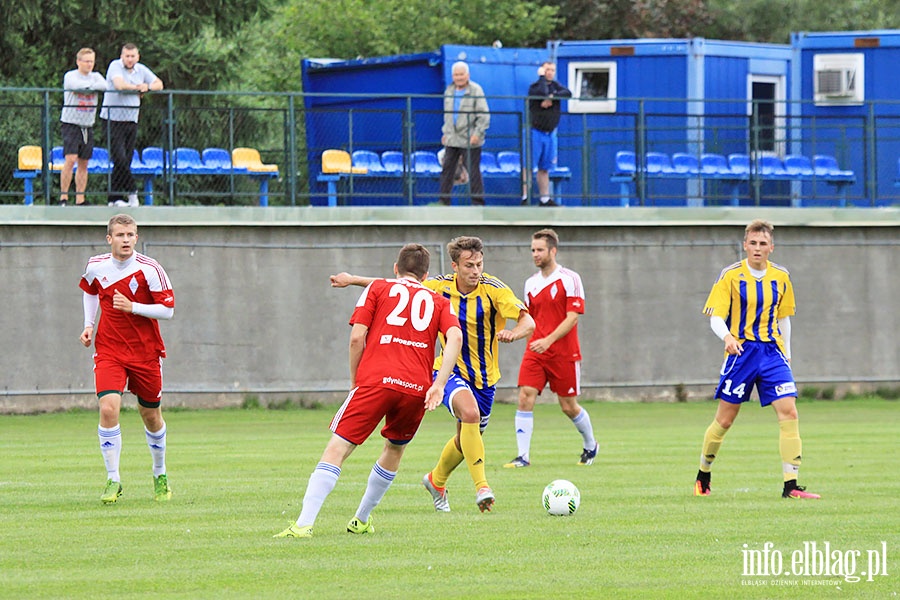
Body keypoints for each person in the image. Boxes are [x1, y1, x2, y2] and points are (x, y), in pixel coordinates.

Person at [331, 236, 534, 513]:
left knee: (467, 440)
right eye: (469, 265)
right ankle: (482, 487)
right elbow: (397, 286)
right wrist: (352, 279)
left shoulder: (494, 289)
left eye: (479, 264)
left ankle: (436, 480)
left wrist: (514, 332)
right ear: (455, 266)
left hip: (486, 378)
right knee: (470, 414)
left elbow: (528, 320)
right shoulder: (438, 286)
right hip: (446, 371)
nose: (475, 271)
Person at [275, 244, 463, 538]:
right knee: (395, 448)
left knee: (338, 448)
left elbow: (356, 337)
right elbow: (455, 336)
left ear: (395, 268)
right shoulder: (439, 301)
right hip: (416, 387)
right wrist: (438, 384)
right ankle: (361, 519)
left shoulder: (378, 288)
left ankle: (303, 524)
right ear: (426, 275)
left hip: (375, 380)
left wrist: (355, 379)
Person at [693, 219, 819, 500]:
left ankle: (791, 485)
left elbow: (784, 317)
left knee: (789, 412)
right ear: (745, 245)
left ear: (771, 247)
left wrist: (787, 354)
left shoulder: (781, 276)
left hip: (772, 353)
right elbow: (715, 316)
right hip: (741, 353)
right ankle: (704, 473)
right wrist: (727, 337)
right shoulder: (731, 275)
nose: (757, 248)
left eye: (763, 243)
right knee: (725, 420)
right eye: (753, 243)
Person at [79, 214, 175, 504]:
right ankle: (113, 479)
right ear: (109, 239)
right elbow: (90, 292)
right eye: (120, 235)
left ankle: (160, 472)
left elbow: (168, 310)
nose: (126, 240)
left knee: (151, 416)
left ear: (136, 237)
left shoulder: (150, 269)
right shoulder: (96, 266)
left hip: (145, 352)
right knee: (108, 408)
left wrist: (134, 306)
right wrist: (88, 324)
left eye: (130, 235)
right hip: (109, 350)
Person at [504, 229, 597, 468]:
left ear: (552, 251)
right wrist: (517, 336)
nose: (535, 254)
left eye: (540, 250)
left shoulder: (570, 278)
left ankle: (591, 445)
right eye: (533, 250)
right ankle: (523, 456)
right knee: (525, 397)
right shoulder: (530, 283)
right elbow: (528, 319)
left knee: (568, 406)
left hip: (563, 353)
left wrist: (549, 340)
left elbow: (572, 317)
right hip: (535, 352)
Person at [99, 43, 163, 207]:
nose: (129, 59)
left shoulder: (141, 70)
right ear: (122, 56)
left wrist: (147, 86)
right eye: (127, 56)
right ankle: (133, 192)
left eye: (132, 56)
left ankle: (114, 198)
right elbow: (119, 85)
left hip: (131, 120)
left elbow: (159, 84)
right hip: (112, 119)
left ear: (137, 57)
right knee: (119, 157)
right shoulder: (115, 66)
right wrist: (138, 88)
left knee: (125, 161)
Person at [59, 48, 108, 206]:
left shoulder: (96, 76)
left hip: (88, 125)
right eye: (86, 61)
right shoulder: (70, 75)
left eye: (91, 61)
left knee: (84, 162)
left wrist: (90, 85)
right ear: (78, 61)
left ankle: (80, 198)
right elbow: (76, 87)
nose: (89, 64)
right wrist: (90, 86)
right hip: (71, 123)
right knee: (71, 159)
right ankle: (64, 197)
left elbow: (103, 85)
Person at [439, 62, 490, 206]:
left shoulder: (476, 90)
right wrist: (445, 132)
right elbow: (447, 115)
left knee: (473, 171)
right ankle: (443, 201)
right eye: (456, 74)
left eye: (461, 74)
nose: (459, 77)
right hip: (452, 139)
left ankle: (478, 202)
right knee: (447, 169)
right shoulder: (449, 91)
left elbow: (484, 115)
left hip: (470, 138)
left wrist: (478, 134)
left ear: (467, 75)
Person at [523, 62, 571, 207]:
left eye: (552, 70)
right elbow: (541, 93)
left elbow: (568, 93)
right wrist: (542, 79)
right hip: (535, 131)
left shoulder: (556, 86)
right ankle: (525, 196)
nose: (550, 72)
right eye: (547, 70)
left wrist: (552, 97)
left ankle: (544, 198)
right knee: (529, 165)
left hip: (550, 133)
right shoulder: (535, 87)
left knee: (545, 167)